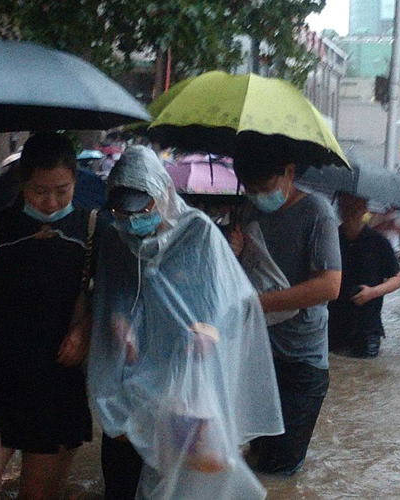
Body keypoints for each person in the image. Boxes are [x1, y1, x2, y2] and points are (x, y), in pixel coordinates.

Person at [88, 146, 282, 500]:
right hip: (133, 379)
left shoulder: (199, 234)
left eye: (142, 209)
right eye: (121, 212)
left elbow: (227, 299)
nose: (132, 221)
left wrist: (207, 331)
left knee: (181, 482)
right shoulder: (117, 237)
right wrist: (118, 320)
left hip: (183, 383)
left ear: (163, 194)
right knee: (121, 480)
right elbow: (113, 292)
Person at [0, 133, 94, 500]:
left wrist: (84, 331)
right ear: (22, 183)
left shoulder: (92, 230)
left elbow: (110, 298)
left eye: (61, 191)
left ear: (76, 181)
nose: (50, 202)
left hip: (56, 381)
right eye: (39, 190)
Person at [228, 151, 341, 476]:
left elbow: (330, 285)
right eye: (249, 187)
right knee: (254, 458)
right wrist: (234, 251)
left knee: (279, 472)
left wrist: (263, 303)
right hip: (257, 355)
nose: (258, 195)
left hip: (301, 363)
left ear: (290, 171)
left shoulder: (317, 212)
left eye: (264, 186)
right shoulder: (249, 210)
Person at [328, 193, 400, 358]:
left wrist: (372, 292)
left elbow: (397, 279)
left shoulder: (378, 242)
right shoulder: (329, 238)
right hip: (333, 323)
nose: (349, 211)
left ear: (364, 208)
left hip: (367, 327)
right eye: (344, 205)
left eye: (354, 206)